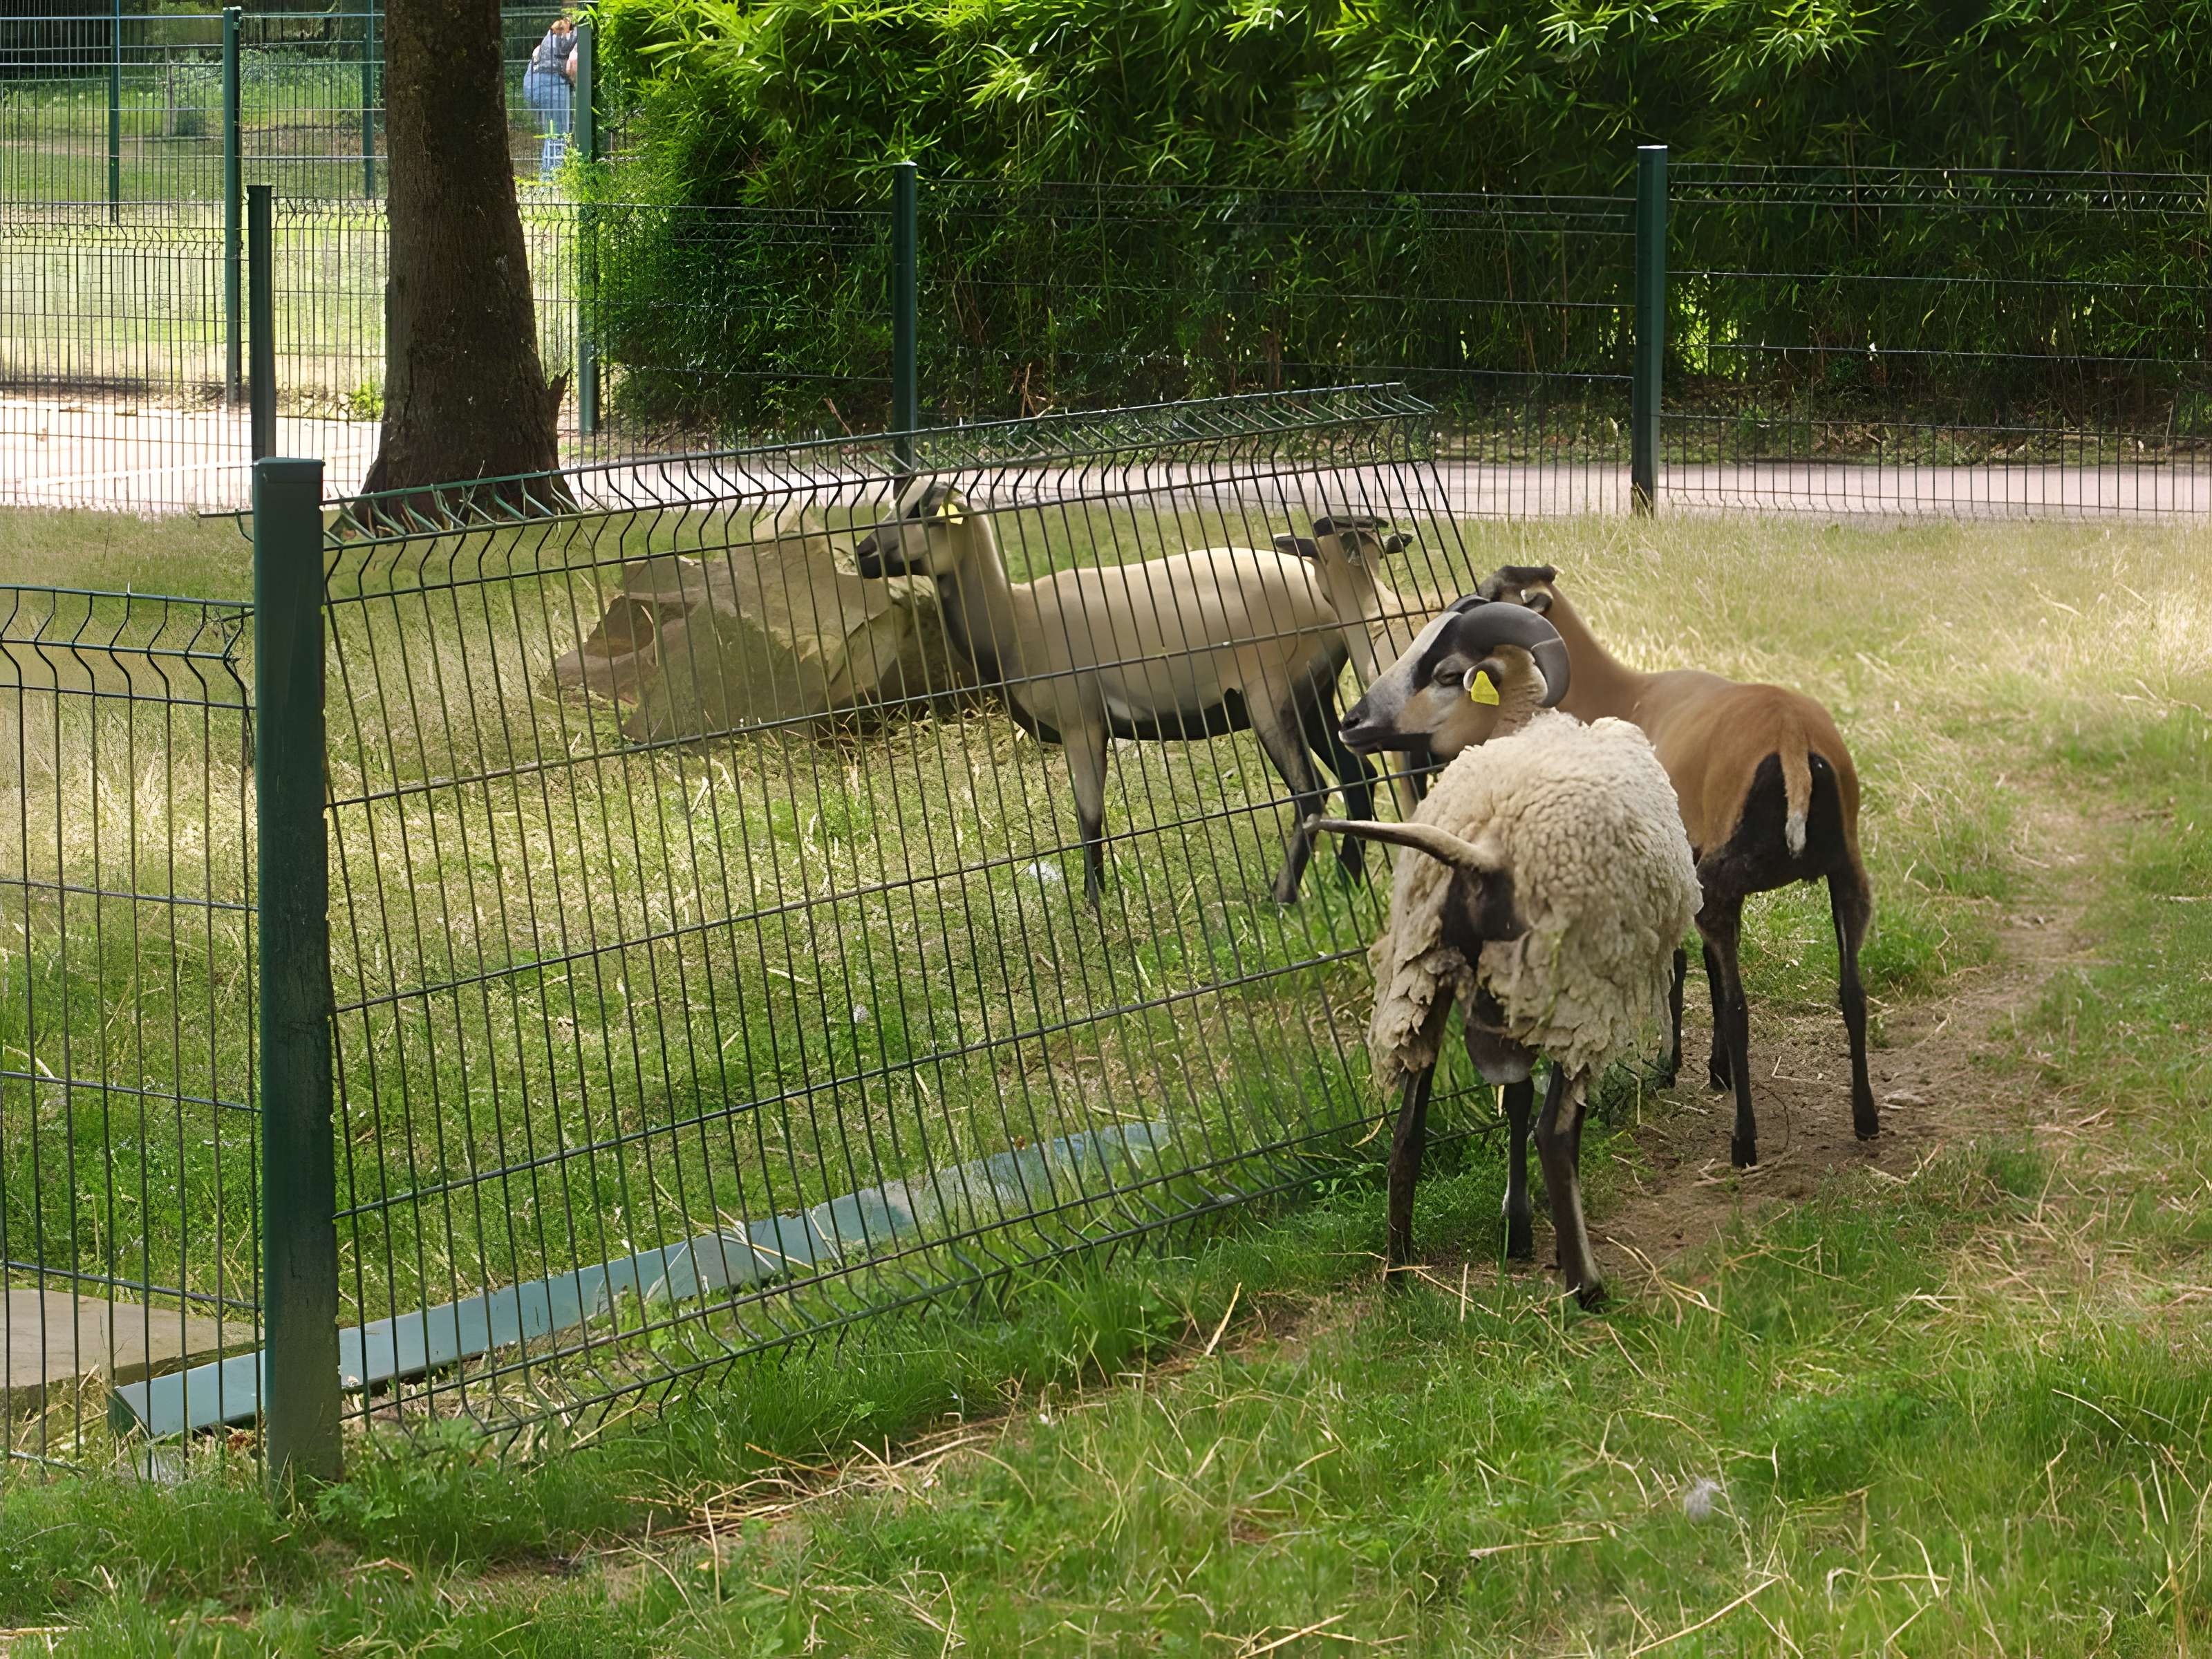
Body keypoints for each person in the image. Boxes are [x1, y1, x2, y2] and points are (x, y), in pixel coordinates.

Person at [522, 15, 578, 183]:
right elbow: (572, 65)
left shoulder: (552, 34)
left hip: (531, 82)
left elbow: (535, 53)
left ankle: (560, 176)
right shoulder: (579, 34)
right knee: (557, 135)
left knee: (558, 131)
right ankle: (549, 184)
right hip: (552, 83)